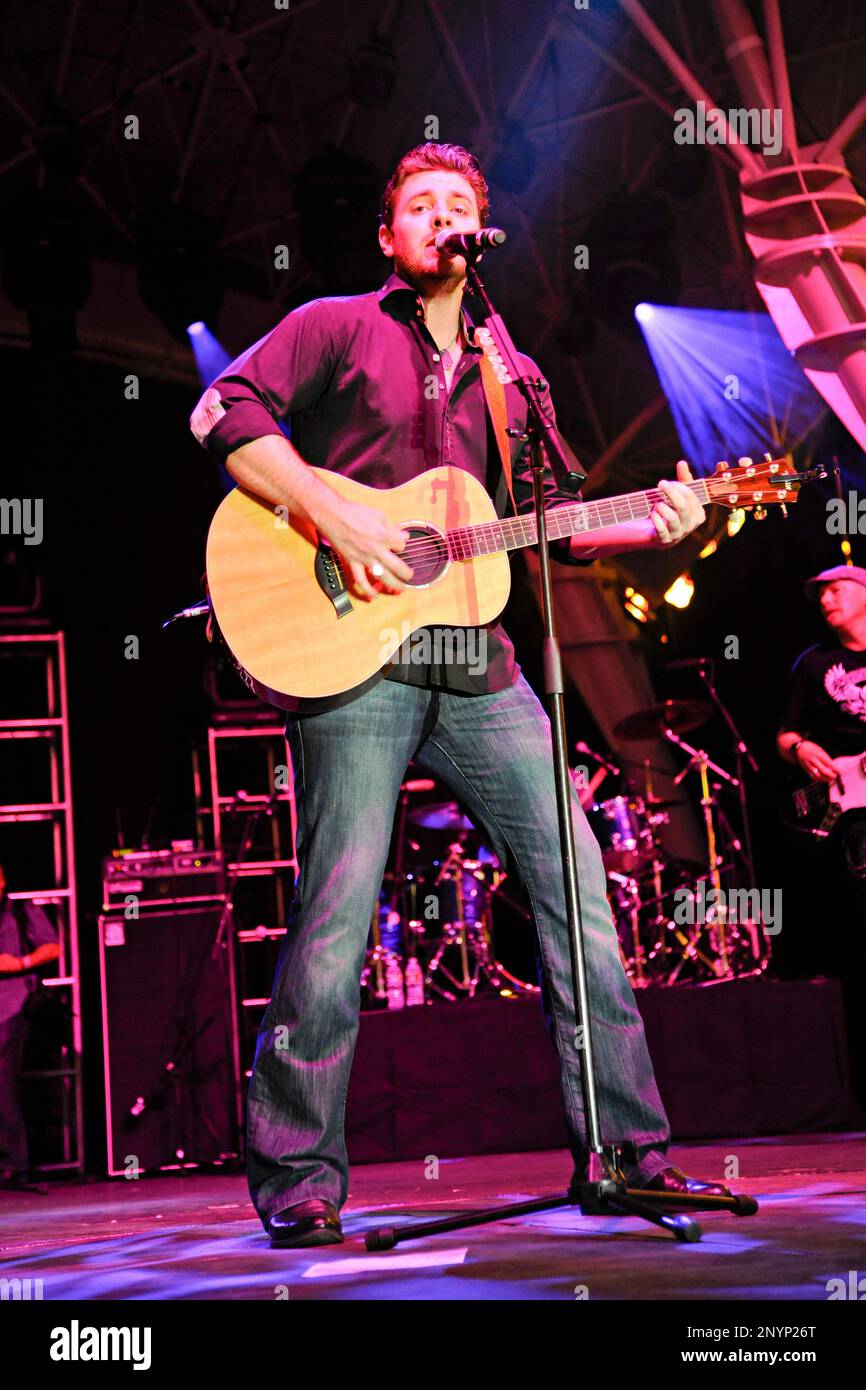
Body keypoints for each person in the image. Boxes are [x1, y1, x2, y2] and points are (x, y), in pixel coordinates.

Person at [192, 141, 731, 1247]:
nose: (441, 217)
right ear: (388, 235)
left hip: (478, 669)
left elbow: (565, 524)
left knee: (577, 885)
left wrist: (668, 514)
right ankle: (297, 1172)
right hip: (354, 660)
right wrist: (334, 517)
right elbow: (223, 412)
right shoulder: (339, 324)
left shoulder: (513, 372)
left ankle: (626, 1152)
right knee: (335, 914)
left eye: (461, 204)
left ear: (482, 233)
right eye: (420, 204)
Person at [777, 563, 866, 1107]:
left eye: (836, 590)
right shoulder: (813, 665)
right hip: (855, 816)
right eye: (820, 594)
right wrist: (800, 749)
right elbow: (785, 734)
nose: (826, 600)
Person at [0, 860, 61, 1188]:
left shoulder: (21, 910)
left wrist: (19, 963)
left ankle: (15, 1162)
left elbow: (53, 947)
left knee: (3, 1085)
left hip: (12, 1005)